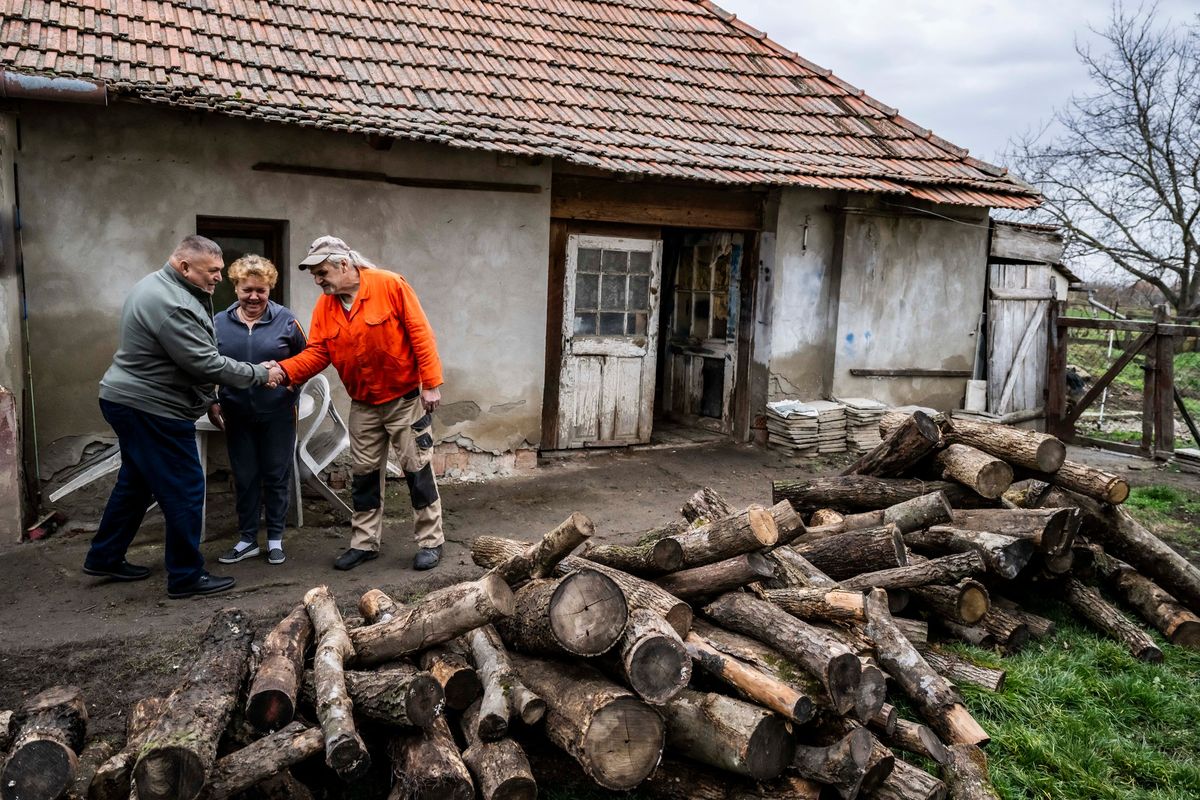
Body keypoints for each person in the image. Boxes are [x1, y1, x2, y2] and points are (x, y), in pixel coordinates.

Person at [83, 235, 281, 599]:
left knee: (137, 482)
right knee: (186, 487)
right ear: (184, 266)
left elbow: (183, 360)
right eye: (213, 271)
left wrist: (207, 398)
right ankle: (186, 576)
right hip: (151, 407)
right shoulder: (171, 303)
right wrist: (260, 373)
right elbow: (204, 362)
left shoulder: (159, 286)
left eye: (221, 271)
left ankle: (105, 555)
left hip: (129, 399)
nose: (219, 278)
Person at [277, 235, 445, 571]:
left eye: (321, 271)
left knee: (417, 470)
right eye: (314, 274)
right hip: (363, 403)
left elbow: (420, 333)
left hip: (404, 399)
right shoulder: (326, 305)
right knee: (365, 475)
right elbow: (318, 352)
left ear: (343, 264)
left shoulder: (389, 285)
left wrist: (431, 384)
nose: (318, 279)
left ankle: (431, 541)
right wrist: (282, 372)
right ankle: (365, 543)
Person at [211, 254, 307, 567]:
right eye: (246, 289)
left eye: (261, 290)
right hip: (236, 412)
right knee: (245, 475)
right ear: (235, 288)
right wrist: (212, 400)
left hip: (277, 412)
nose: (254, 297)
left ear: (270, 289)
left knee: (276, 474)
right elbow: (206, 365)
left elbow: (307, 360)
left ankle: (276, 539)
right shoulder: (219, 323)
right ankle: (247, 539)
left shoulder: (287, 321)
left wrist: (289, 385)